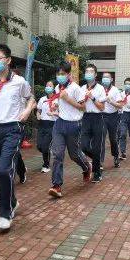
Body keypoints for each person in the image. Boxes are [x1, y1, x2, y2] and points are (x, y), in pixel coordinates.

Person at [0, 44, 36, 232]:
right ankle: (11, 200)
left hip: (13, 128)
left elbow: (31, 98)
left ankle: (5, 213)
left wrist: (27, 111)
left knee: (4, 170)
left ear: (8, 60)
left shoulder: (19, 82)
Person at [48, 61, 92, 198]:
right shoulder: (57, 87)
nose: (60, 76)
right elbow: (58, 102)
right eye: (58, 74)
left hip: (74, 125)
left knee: (74, 154)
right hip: (59, 123)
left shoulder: (76, 88)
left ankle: (86, 167)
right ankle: (57, 186)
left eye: (63, 74)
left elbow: (83, 107)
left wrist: (67, 99)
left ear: (68, 74)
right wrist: (55, 105)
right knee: (57, 154)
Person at [80, 64, 106, 183]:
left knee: (96, 147)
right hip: (86, 117)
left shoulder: (100, 88)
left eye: (91, 71)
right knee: (83, 145)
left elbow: (101, 107)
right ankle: (96, 161)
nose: (88, 73)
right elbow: (81, 107)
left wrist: (92, 97)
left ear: (95, 74)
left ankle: (97, 172)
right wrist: (82, 102)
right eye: (87, 71)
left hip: (97, 118)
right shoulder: (81, 88)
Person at [100, 72, 123, 169]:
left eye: (107, 77)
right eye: (103, 77)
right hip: (101, 116)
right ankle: (100, 162)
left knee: (113, 139)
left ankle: (116, 156)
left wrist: (110, 101)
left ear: (111, 79)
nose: (105, 79)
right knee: (101, 138)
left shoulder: (115, 90)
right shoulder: (99, 89)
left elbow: (120, 105)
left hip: (113, 116)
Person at [36, 80, 57, 172]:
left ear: (53, 88)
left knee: (45, 146)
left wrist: (54, 113)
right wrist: (38, 115)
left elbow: (61, 112)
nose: (48, 87)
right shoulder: (42, 99)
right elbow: (38, 110)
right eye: (47, 85)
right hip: (42, 124)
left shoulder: (57, 99)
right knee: (39, 146)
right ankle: (47, 151)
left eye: (50, 86)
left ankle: (46, 165)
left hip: (52, 124)